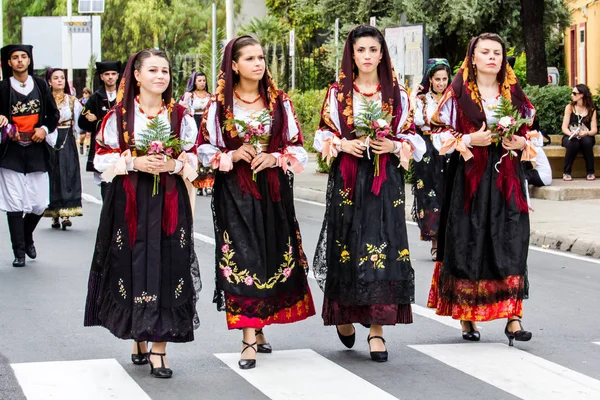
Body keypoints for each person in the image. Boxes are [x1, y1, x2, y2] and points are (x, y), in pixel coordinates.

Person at [198, 35, 315, 370]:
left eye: (261, 57)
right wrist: (232, 154)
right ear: (233, 65)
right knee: (243, 257)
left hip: (274, 190)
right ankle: (248, 337)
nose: (258, 63)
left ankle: (259, 324)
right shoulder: (220, 105)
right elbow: (204, 148)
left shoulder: (279, 101)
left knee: (269, 255)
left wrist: (276, 158)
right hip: (235, 191)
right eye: (249, 59)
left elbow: (297, 147)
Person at [84, 49, 201, 379]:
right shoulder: (118, 117)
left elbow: (195, 162)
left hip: (169, 200)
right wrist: (134, 162)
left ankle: (159, 347)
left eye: (165, 70)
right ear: (136, 76)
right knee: (131, 262)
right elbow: (100, 161)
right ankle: (139, 330)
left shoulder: (181, 116)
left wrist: (174, 164)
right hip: (131, 201)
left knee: (169, 262)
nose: (161, 76)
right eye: (153, 70)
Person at [312, 25, 425, 362]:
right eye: (360, 50)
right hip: (348, 178)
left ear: (382, 53)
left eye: (373, 50)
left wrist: (392, 144)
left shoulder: (398, 93)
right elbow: (322, 135)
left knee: (383, 247)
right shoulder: (337, 93)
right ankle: (344, 315)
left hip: (385, 180)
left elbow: (413, 138)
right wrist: (344, 143)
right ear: (352, 54)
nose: (366, 57)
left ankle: (377, 330)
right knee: (347, 244)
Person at [427, 33, 536, 346]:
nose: (492, 57)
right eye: (485, 52)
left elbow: (532, 134)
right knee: (469, 241)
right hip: (469, 178)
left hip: (507, 177)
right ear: (472, 58)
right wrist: (468, 140)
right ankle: (467, 315)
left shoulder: (514, 94)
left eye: (497, 53)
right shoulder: (458, 94)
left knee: (512, 239)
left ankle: (513, 317)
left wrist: (521, 142)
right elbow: (437, 135)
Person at [0, 44, 59, 267]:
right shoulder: (3, 88)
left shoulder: (41, 85)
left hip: (36, 148)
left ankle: (26, 235)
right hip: (11, 152)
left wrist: (43, 129)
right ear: (9, 63)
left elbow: (53, 114)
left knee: (39, 203)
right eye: (15, 58)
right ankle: (19, 252)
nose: (20, 61)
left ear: (29, 60)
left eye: (23, 57)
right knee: (14, 202)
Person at [413, 58, 452, 260]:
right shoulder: (422, 99)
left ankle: (449, 242)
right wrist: (435, 119)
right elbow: (417, 120)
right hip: (428, 150)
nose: (441, 83)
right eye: (437, 79)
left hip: (449, 148)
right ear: (430, 79)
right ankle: (435, 242)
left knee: (449, 194)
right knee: (431, 196)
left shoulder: (453, 98)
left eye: (444, 79)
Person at [43, 68, 83, 230]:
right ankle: (54, 213)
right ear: (49, 81)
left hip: (67, 138)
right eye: (56, 78)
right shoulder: (45, 100)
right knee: (52, 174)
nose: (59, 80)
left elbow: (79, 124)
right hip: (49, 137)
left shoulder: (72, 101)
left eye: (62, 78)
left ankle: (66, 212)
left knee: (68, 172)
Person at [78, 61, 121, 199]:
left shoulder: (124, 96)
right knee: (107, 192)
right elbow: (82, 121)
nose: (110, 77)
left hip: (122, 150)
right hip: (102, 150)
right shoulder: (95, 98)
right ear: (101, 76)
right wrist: (98, 123)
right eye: (107, 74)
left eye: (113, 74)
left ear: (118, 76)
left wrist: (98, 120)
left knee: (122, 194)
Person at [179, 72, 214, 196]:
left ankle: (208, 184)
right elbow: (181, 109)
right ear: (194, 82)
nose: (202, 83)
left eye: (204, 80)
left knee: (207, 152)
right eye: (199, 80)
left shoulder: (210, 96)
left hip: (206, 125)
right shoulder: (189, 95)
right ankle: (197, 184)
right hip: (194, 124)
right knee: (196, 153)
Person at [561, 84, 597, 181]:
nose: (572, 95)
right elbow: (564, 127)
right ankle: (566, 172)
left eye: (574, 93)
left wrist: (586, 133)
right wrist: (571, 134)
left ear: (581, 95)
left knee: (587, 142)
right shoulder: (569, 107)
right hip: (570, 135)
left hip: (585, 135)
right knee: (573, 143)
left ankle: (590, 172)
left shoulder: (591, 109)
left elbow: (594, 130)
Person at [78, 87, 92, 155]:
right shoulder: (80, 102)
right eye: (84, 93)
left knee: (88, 135)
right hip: (82, 120)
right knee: (82, 136)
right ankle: (81, 145)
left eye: (86, 93)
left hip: (89, 120)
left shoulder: (92, 101)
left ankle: (87, 148)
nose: (85, 94)